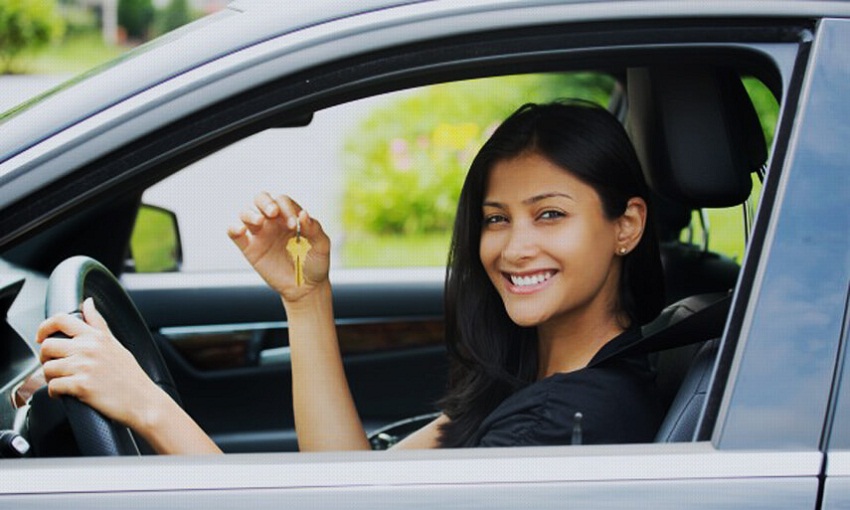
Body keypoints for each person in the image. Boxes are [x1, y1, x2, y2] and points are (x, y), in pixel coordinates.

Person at [36, 101, 665, 454]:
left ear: (626, 226)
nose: (514, 248)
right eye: (496, 219)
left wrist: (146, 405)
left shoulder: (560, 425)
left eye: (550, 214)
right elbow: (348, 482)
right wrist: (307, 297)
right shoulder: (533, 381)